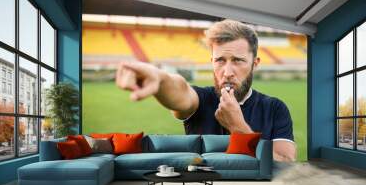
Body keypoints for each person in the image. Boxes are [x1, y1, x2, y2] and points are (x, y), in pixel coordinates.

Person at [115, 19, 296, 162]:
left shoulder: (274, 108)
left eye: (238, 60)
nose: (227, 72)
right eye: (220, 60)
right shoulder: (201, 99)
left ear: (254, 64)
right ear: (211, 62)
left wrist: (239, 128)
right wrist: (161, 79)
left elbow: (285, 163)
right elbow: (181, 92)